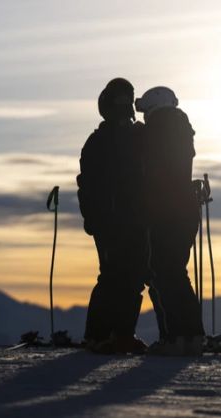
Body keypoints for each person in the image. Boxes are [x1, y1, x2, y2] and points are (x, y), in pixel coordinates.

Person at [77, 78, 148, 354]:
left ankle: (121, 334)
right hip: (110, 220)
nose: (125, 108)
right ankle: (98, 335)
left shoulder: (136, 138)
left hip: (135, 219)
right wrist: (93, 217)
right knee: (112, 276)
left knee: (133, 277)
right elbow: (88, 184)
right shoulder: (99, 142)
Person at [137, 86, 205, 356]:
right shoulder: (182, 129)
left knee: (164, 272)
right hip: (185, 211)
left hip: (164, 211)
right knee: (176, 272)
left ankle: (176, 337)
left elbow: (147, 171)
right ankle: (192, 335)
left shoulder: (155, 131)